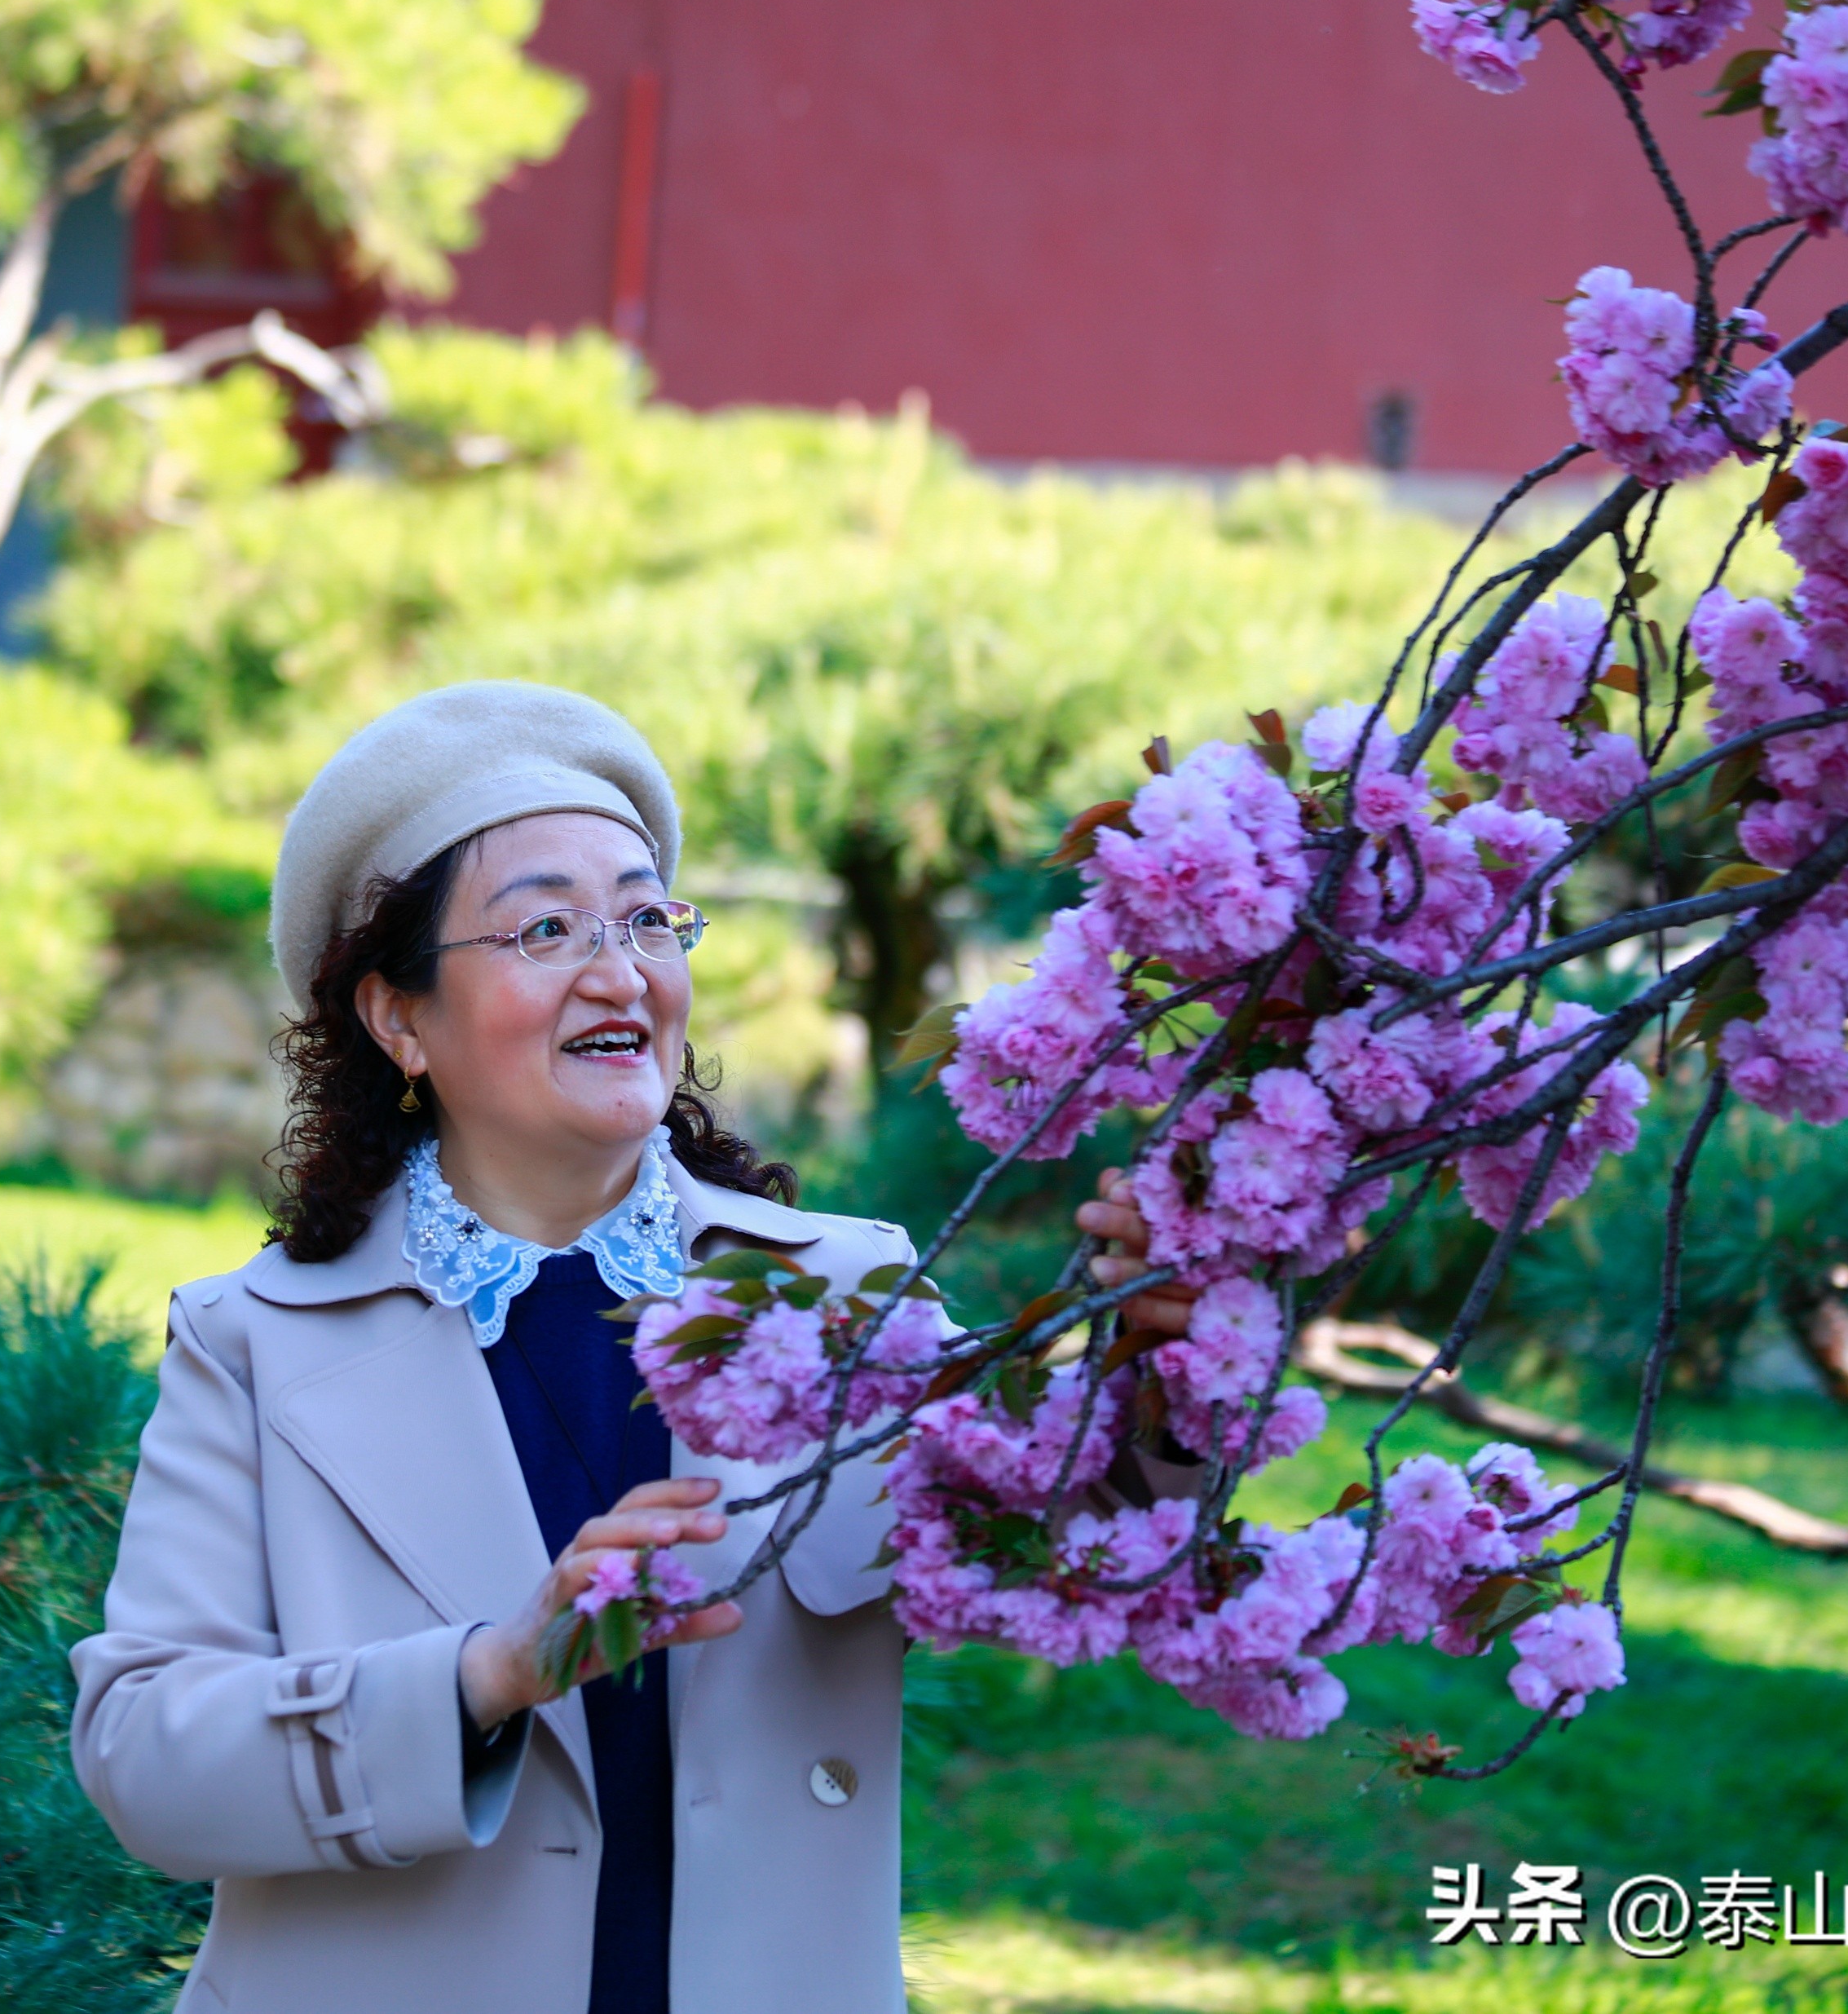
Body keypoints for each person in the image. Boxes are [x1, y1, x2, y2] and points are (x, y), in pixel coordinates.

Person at [70, 682, 1188, 2014]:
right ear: (398, 1018)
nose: (620, 972)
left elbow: (1068, 1539)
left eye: (649, 918)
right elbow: (143, 1757)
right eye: (546, 927)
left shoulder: (845, 1295)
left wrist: (1151, 1371)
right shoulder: (252, 1344)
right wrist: (487, 1674)